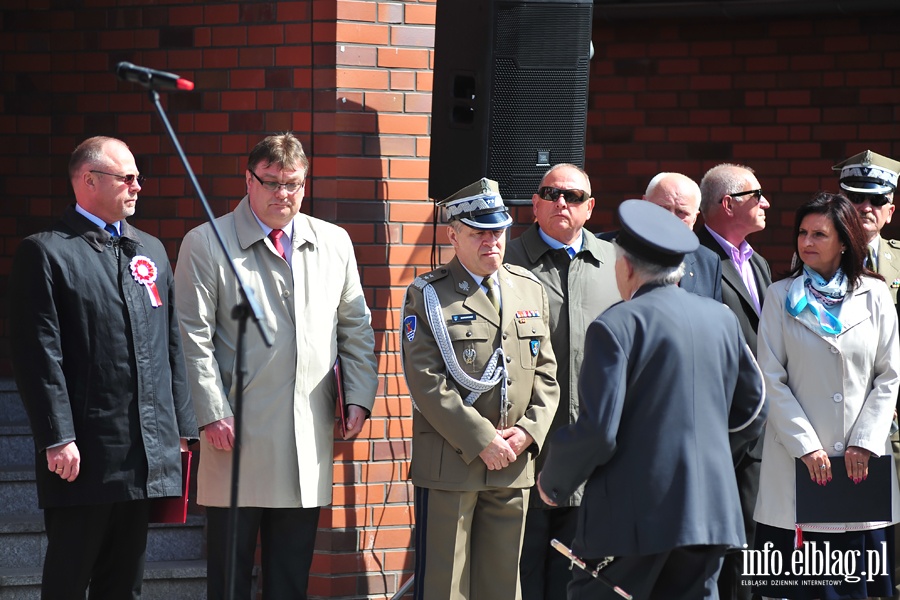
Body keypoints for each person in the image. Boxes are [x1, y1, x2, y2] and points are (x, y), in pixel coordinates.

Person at [174, 133, 378, 599]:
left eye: (294, 184)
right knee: (229, 581)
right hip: (235, 437)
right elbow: (191, 336)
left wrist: (361, 398)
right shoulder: (206, 242)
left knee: (289, 581)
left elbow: (356, 329)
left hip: (306, 439)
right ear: (248, 180)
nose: (283, 194)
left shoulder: (334, 242)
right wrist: (210, 410)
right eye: (271, 183)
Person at [537, 199, 766, 599]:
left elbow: (599, 431)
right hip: (710, 513)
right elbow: (754, 410)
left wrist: (553, 482)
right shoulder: (721, 319)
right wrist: (706, 455)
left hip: (633, 517)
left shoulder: (615, 325)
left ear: (625, 266)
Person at [8, 136, 198, 599]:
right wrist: (58, 436)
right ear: (89, 181)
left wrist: (180, 428)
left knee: (124, 583)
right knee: (70, 578)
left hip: (142, 450)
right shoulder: (47, 252)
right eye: (126, 177)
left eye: (138, 177)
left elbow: (171, 344)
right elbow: (39, 355)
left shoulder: (148, 250)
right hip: (84, 453)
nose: (137, 187)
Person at [401, 178, 560, 600]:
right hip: (453, 464)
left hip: (512, 462)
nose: (492, 241)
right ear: (453, 235)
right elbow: (427, 383)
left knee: (502, 587)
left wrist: (528, 433)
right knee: (445, 587)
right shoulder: (429, 294)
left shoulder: (528, 287)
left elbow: (546, 374)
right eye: (479, 232)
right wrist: (482, 439)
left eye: (499, 231)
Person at [753, 192, 900, 599]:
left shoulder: (876, 295)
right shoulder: (780, 296)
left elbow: (889, 377)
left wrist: (865, 442)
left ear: (844, 241)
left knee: (861, 584)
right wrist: (806, 446)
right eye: (802, 233)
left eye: (819, 233)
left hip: (861, 471)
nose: (807, 242)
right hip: (797, 467)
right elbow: (770, 377)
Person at [504, 163, 620, 600]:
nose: (561, 203)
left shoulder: (616, 264)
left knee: (583, 578)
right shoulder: (506, 259)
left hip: (594, 455)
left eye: (573, 197)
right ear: (534, 204)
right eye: (551, 194)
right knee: (523, 571)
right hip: (526, 449)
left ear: (589, 208)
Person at [697, 162, 773, 600]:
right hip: (723, 432)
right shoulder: (697, 259)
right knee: (727, 557)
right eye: (756, 195)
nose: (766, 203)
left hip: (760, 433)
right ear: (728, 204)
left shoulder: (758, 261)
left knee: (755, 550)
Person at [833, 150, 900, 597]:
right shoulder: (817, 261)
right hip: (850, 425)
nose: (866, 209)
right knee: (854, 552)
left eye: (877, 200)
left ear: (891, 210)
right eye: (855, 199)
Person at [599, 172, 722, 300]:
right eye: (663, 208)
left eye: (681, 212)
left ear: (694, 218)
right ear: (644, 204)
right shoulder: (601, 247)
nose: (671, 218)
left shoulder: (708, 262)